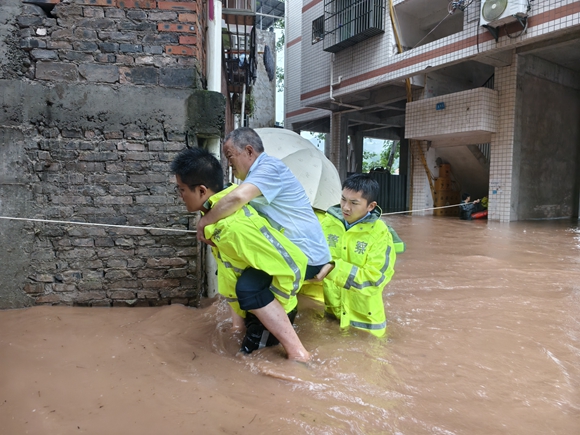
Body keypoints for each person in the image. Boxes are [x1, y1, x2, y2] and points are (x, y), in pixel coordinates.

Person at [170, 147, 310, 362]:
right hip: (253, 308)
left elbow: (293, 263)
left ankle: (300, 354)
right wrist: (238, 325)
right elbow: (231, 271)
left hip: (270, 310)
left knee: (248, 364)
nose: (179, 196)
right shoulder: (213, 214)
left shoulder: (233, 227)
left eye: (181, 190)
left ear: (201, 191)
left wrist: (280, 304)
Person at [196, 127, 332, 282]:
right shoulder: (258, 174)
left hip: (305, 255)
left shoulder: (269, 168)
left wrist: (204, 223)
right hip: (294, 251)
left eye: (230, 156)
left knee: (249, 288)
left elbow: (238, 198)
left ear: (248, 151)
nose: (229, 164)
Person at [320, 173, 396, 337]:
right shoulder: (327, 223)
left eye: (354, 203)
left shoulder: (381, 234)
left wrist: (332, 269)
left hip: (366, 325)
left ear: (371, 206)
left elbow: (375, 280)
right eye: (343, 199)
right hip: (332, 314)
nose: (345, 207)